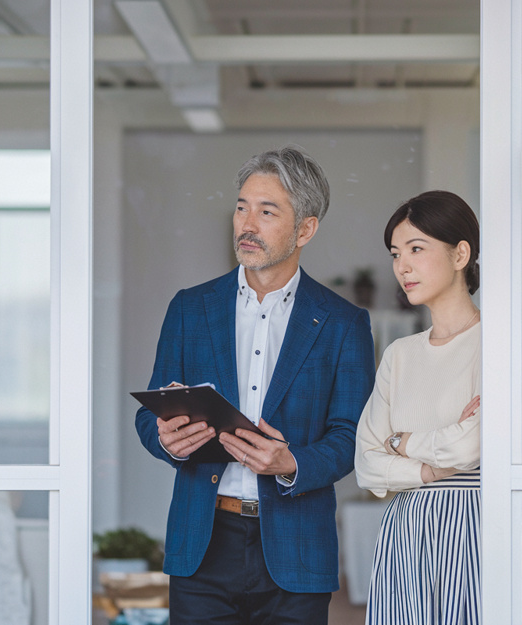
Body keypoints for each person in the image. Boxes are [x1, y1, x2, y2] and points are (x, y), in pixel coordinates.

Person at [135, 146, 376, 625]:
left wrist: (291, 462)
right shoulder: (189, 307)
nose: (247, 223)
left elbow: (353, 437)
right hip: (202, 544)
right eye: (242, 207)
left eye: (267, 212)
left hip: (296, 551)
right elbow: (150, 415)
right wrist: (169, 441)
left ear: (305, 229)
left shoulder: (344, 323)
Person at [354, 190, 522, 625]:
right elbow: (366, 463)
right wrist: (426, 469)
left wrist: (399, 442)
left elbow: (471, 447)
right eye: (395, 253)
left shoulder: (500, 338)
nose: (403, 266)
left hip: (476, 527)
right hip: (405, 534)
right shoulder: (399, 354)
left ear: (461, 254)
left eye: (417, 249)